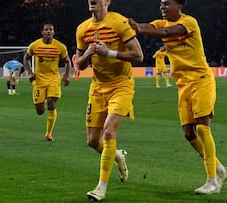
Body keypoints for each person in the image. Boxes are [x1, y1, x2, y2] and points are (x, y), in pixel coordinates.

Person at [129, 0, 227, 195]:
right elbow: (151, 27)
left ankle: (212, 181)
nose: (162, 7)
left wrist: (139, 30)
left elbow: (167, 33)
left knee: (202, 127)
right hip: (182, 84)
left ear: (179, 6)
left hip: (201, 79)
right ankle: (220, 170)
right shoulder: (161, 23)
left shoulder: (189, 22)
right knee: (188, 133)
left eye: (167, 4)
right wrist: (134, 26)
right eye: (161, 4)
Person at [75, 0, 143, 201]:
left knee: (109, 132)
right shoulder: (83, 29)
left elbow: (138, 55)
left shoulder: (119, 22)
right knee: (92, 141)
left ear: (107, 1)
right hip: (97, 88)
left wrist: (109, 52)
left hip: (121, 85)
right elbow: (80, 64)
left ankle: (101, 188)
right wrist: (87, 53)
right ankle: (118, 155)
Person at [23, 22, 71, 142]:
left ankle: (48, 134)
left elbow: (68, 62)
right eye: (46, 30)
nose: (49, 31)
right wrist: (29, 72)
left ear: (53, 32)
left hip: (54, 79)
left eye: (51, 29)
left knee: (51, 103)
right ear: (42, 32)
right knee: (40, 111)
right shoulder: (34, 45)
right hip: (39, 80)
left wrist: (66, 75)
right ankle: (43, 100)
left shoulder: (60, 46)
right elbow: (26, 58)